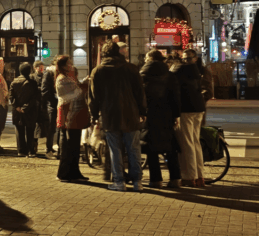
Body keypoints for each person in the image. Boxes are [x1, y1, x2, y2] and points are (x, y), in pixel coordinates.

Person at [87, 40, 146, 192]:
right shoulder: (131, 68)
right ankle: (137, 181)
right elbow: (140, 92)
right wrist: (142, 111)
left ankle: (119, 181)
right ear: (118, 52)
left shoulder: (98, 71)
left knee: (115, 150)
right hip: (131, 113)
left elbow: (93, 97)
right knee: (133, 148)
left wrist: (94, 115)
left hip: (110, 114)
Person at [140, 50, 182, 188]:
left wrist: (141, 112)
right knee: (170, 147)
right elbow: (175, 96)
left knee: (151, 147)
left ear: (150, 58)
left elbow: (140, 97)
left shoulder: (142, 75)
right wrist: (176, 115)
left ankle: (156, 180)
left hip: (149, 114)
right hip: (166, 114)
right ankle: (176, 178)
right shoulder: (169, 75)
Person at [172, 49, 206, 187]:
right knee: (195, 141)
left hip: (186, 108)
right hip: (199, 107)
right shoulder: (197, 70)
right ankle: (199, 176)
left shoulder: (179, 69)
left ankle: (189, 176)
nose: (185, 61)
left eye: (187, 58)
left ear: (194, 58)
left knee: (187, 142)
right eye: (184, 59)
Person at [54, 55, 90, 182]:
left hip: (74, 115)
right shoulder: (62, 79)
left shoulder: (68, 78)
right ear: (63, 66)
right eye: (69, 63)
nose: (71, 65)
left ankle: (74, 171)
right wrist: (85, 84)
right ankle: (64, 172)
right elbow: (75, 93)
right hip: (67, 115)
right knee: (68, 145)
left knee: (74, 145)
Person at [9, 63, 40, 158]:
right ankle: (31, 151)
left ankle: (21, 150)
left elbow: (11, 96)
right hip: (30, 111)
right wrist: (25, 107)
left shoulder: (14, 82)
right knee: (30, 131)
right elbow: (35, 98)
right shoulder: (33, 83)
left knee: (19, 131)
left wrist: (17, 107)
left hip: (17, 112)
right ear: (30, 70)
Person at [37, 60, 58, 159]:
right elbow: (45, 91)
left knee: (55, 128)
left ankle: (53, 148)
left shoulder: (56, 73)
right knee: (51, 128)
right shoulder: (49, 73)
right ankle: (48, 149)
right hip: (52, 105)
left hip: (56, 104)